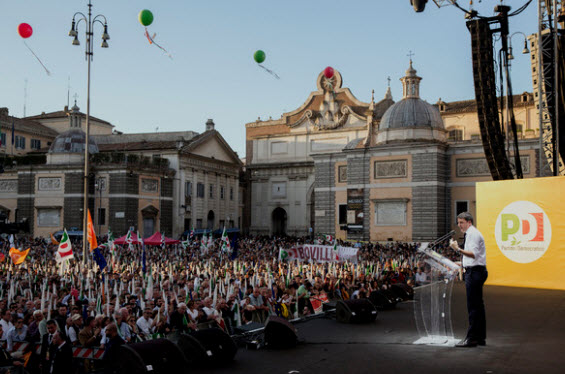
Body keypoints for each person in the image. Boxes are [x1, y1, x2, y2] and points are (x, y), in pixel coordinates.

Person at [450, 211, 488, 348]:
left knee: (473, 307)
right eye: (458, 222)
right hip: (476, 271)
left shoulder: (472, 234)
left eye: (461, 222)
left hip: (475, 273)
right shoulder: (472, 233)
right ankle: (480, 338)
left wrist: (457, 249)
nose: (459, 225)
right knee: (478, 307)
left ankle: (472, 338)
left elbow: (473, 254)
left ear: (469, 222)